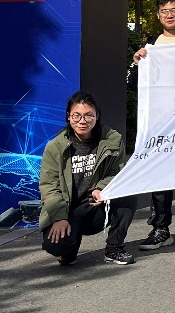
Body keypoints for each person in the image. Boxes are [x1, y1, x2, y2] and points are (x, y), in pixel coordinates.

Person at [128, 0, 175, 251]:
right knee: (159, 175)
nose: (169, 15)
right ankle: (160, 228)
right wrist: (136, 63)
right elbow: (134, 84)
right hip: (158, 123)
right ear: (158, 15)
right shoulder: (150, 46)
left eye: (174, 10)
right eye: (164, 11)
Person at [38, 91, 138, 266]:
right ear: (68, 117)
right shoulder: (54, 147)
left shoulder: (112, 139)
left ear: (97, 116)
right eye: (76, 115)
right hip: (69, 210)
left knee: (127, 194)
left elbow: (118, 172)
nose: (82, 121)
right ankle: (71, 246)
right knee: (57, 246)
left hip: (95, 206)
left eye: (88, 115)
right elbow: (49, 186)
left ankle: (114, 248)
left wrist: (101, 188)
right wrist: (59, 218)